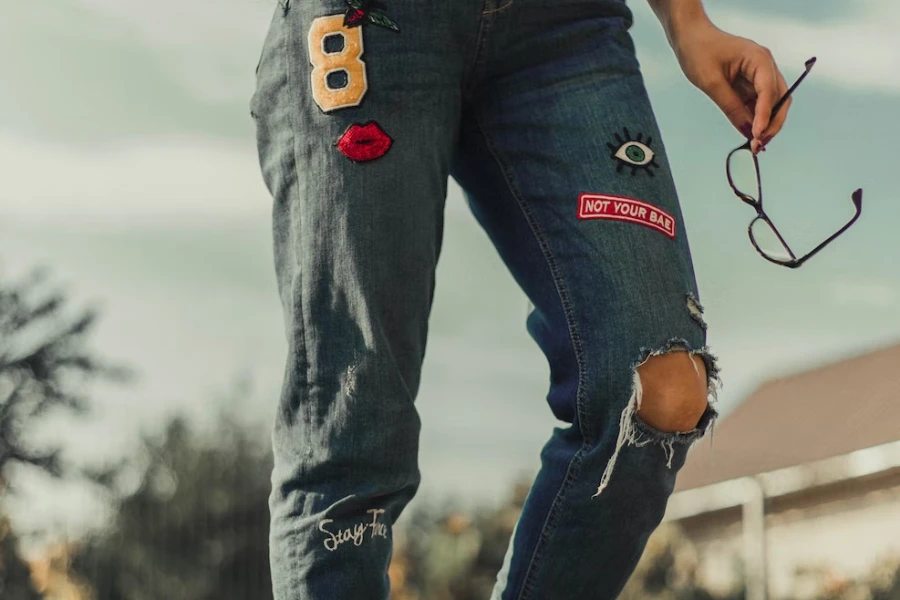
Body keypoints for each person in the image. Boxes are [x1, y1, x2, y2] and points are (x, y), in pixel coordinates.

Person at [249, 0, 791, 597]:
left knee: (660, 386)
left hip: (564, 30)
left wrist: (687, 21)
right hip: (369, 25)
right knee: (353, 430)